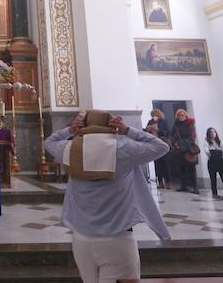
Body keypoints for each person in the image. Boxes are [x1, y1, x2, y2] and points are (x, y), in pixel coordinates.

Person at [45, 110, 170, 283]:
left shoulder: (70, 149)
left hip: (82, 239)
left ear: (84, 127)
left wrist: (70, 130)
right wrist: (128, 130)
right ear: (111, 126)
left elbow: (49, 142)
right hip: (117, 239)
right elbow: (162, 147)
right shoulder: (123, 148)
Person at [171, 109, 199, 194]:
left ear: (185, 115)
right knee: (181, 168)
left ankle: (195, 187)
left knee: (192, 169)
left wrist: (186, 144)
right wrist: (175, 143)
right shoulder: (175, 125)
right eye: (179, 115)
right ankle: (183, 186)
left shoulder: (190, 123)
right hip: (179, 148)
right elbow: (173, 135)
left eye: (182, 115)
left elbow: (192, 136)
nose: (181, 117)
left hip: (189, 148)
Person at [204, 128, 223, 200]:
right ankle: (214, 195)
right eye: (210, 132)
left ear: (216, 133)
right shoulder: (207, 142)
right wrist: (213, 155)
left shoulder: (221, 141)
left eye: (214, 132)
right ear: (208, 134)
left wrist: (219, 156)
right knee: (213, 179)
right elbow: (206, 151)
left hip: (220, 161)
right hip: (212, 161)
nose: (212, 133)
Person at [144, 111, 171, 189]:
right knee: (157, 164)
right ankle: (160, 182)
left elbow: (168, 132)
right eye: (152, 115)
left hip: (163, 143)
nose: (154, 116)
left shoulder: (164, 122)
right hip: (154, 144)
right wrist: (148, 129)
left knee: (165, 164)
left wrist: (158, 130)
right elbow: (146, 132)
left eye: (155, 115)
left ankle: (168, 182)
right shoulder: (150, 122)